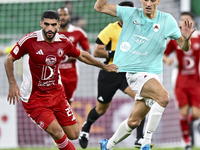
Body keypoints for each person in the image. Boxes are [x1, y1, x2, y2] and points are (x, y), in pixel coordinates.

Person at [4, 10, 118, 150]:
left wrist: (103, 66)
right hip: (35, 98)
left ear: (59, 24)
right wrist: (12, 83)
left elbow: (81, 55)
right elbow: (9, 59)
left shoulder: (63, 42)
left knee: (74, 134)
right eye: (46, 24)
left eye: (53, 25)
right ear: (41, 23)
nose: (49, 28)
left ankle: (54, 128)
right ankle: (52, 127)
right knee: (58, 133)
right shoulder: (29, 40)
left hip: (57, 95)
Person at [93, 0, 196, 150]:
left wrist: (186, 39)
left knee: (134, 121)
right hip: (135, 72)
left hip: (154, 74)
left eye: (152, 0)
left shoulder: (167, 20)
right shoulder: (130, 13)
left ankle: (108, 145)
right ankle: (146, 143)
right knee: (164, 97)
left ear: (158, 1)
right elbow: (99, 7)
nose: (148, 3)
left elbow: (184, 47)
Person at [79, 1, 150, 149]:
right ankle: (86, 128)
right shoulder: (110, 29)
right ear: (118, 13)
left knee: (141, 99)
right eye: (124, 12)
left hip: (128, 73)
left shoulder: (139, 30)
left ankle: (139, 138)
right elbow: (97, 51)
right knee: (101, 109)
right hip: (110, 73)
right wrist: (116, 53)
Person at [163, 12, 200, 150]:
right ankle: (186, 142)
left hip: (196, 80)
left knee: (196, 114)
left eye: (187, 20)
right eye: (182, 20)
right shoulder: (174, 39)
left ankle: (185, 123)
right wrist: (168, 60)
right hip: (180, 80)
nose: (185, 22)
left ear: (193, 23)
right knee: (183, 111)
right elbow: (164, 55)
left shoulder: (199, 38)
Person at [57, 7, 91, 105]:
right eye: (60, 15)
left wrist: (73, 56)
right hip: (54, 73)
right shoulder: (50, 33)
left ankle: (65, 120)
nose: (62, 17)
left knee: (68, 103)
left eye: (65, 15)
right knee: (55, 101)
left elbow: (88, 52)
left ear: (69, 17)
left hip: (71, 74)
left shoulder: (78, 32)